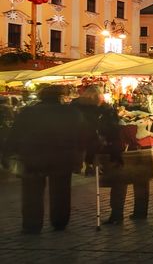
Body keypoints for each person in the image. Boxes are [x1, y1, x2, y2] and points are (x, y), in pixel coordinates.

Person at [2, 85, 86, 233]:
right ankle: (59, 222)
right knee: (61, 191)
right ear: (60, 96)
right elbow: (83, 134)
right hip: (62, 157)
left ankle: (32, 224)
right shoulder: (71, 112)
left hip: (34, 157)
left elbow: (15, 134)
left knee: (32, 193)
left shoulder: (28, 112)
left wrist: (7, 153)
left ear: (41, 96)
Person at [103, 123, 153, 224]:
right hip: (143, 151)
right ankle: (140, 213)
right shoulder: (139, 126)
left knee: (120, 184)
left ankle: (117, 216)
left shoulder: (117, 128)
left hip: (125, 154)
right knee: (141, 183)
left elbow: (116, 145)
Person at [72, 85, 122, 177]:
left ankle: (83, 167)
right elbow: (112, 123)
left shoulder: (76, 104)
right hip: (95, 132)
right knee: (94, 148)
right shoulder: (104, 107)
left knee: (84, 149)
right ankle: (91, 167)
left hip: (80, 132)